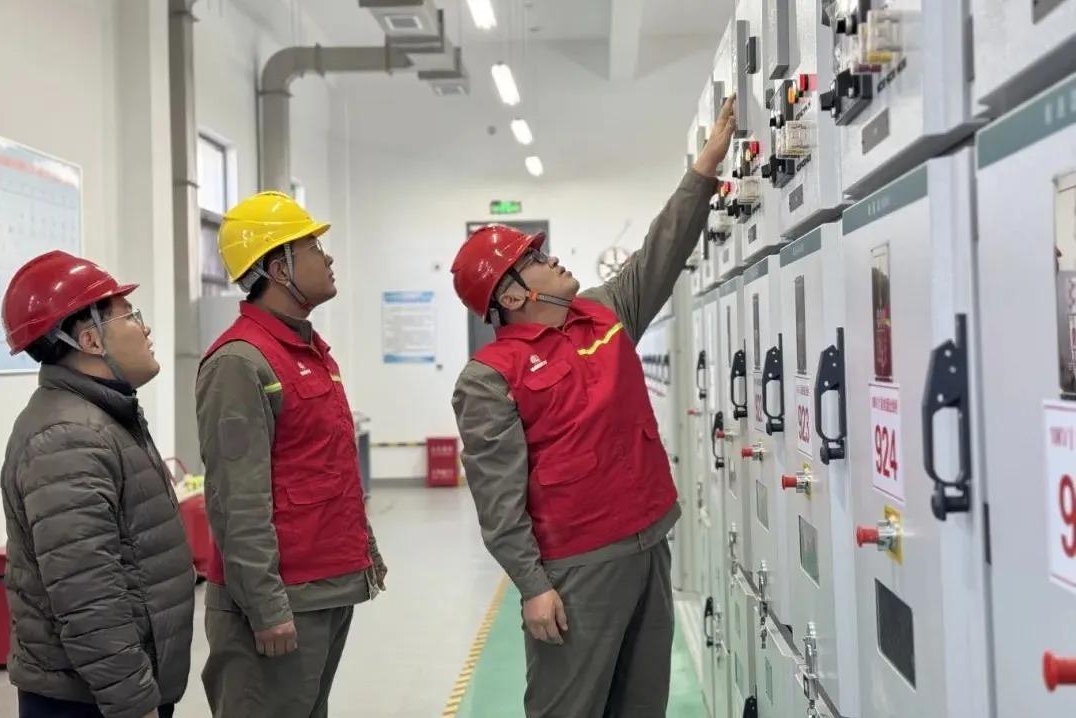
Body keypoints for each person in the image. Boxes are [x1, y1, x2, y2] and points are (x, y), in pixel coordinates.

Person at [450, 96, 737, 717]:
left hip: (649, 543)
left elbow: (661, 250)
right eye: (534, 259)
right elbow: (498, 500)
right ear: (512, 295)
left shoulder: (604, 313)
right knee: (570, 707)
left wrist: (704, 169)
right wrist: (532, 586)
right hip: (577, 567)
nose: (552, 258)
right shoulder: (490, 377)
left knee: (641, 702)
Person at [197, 191, 387, 718]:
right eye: (314, 248)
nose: (328, 258)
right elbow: (237, 499)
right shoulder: (241, 362)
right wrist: (265, 606)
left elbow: (328, 466)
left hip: (325, 588)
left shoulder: (310, 351)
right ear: (279, 269)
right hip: (284, 601)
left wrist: (364, 551)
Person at [0, 251, 196, 718]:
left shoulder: (102, 416)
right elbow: (88, 596)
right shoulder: (68, 437)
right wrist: (134, 703)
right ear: (89, 339)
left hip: (111, 689)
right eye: (131, 316)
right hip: (92, 701)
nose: (145, 329)